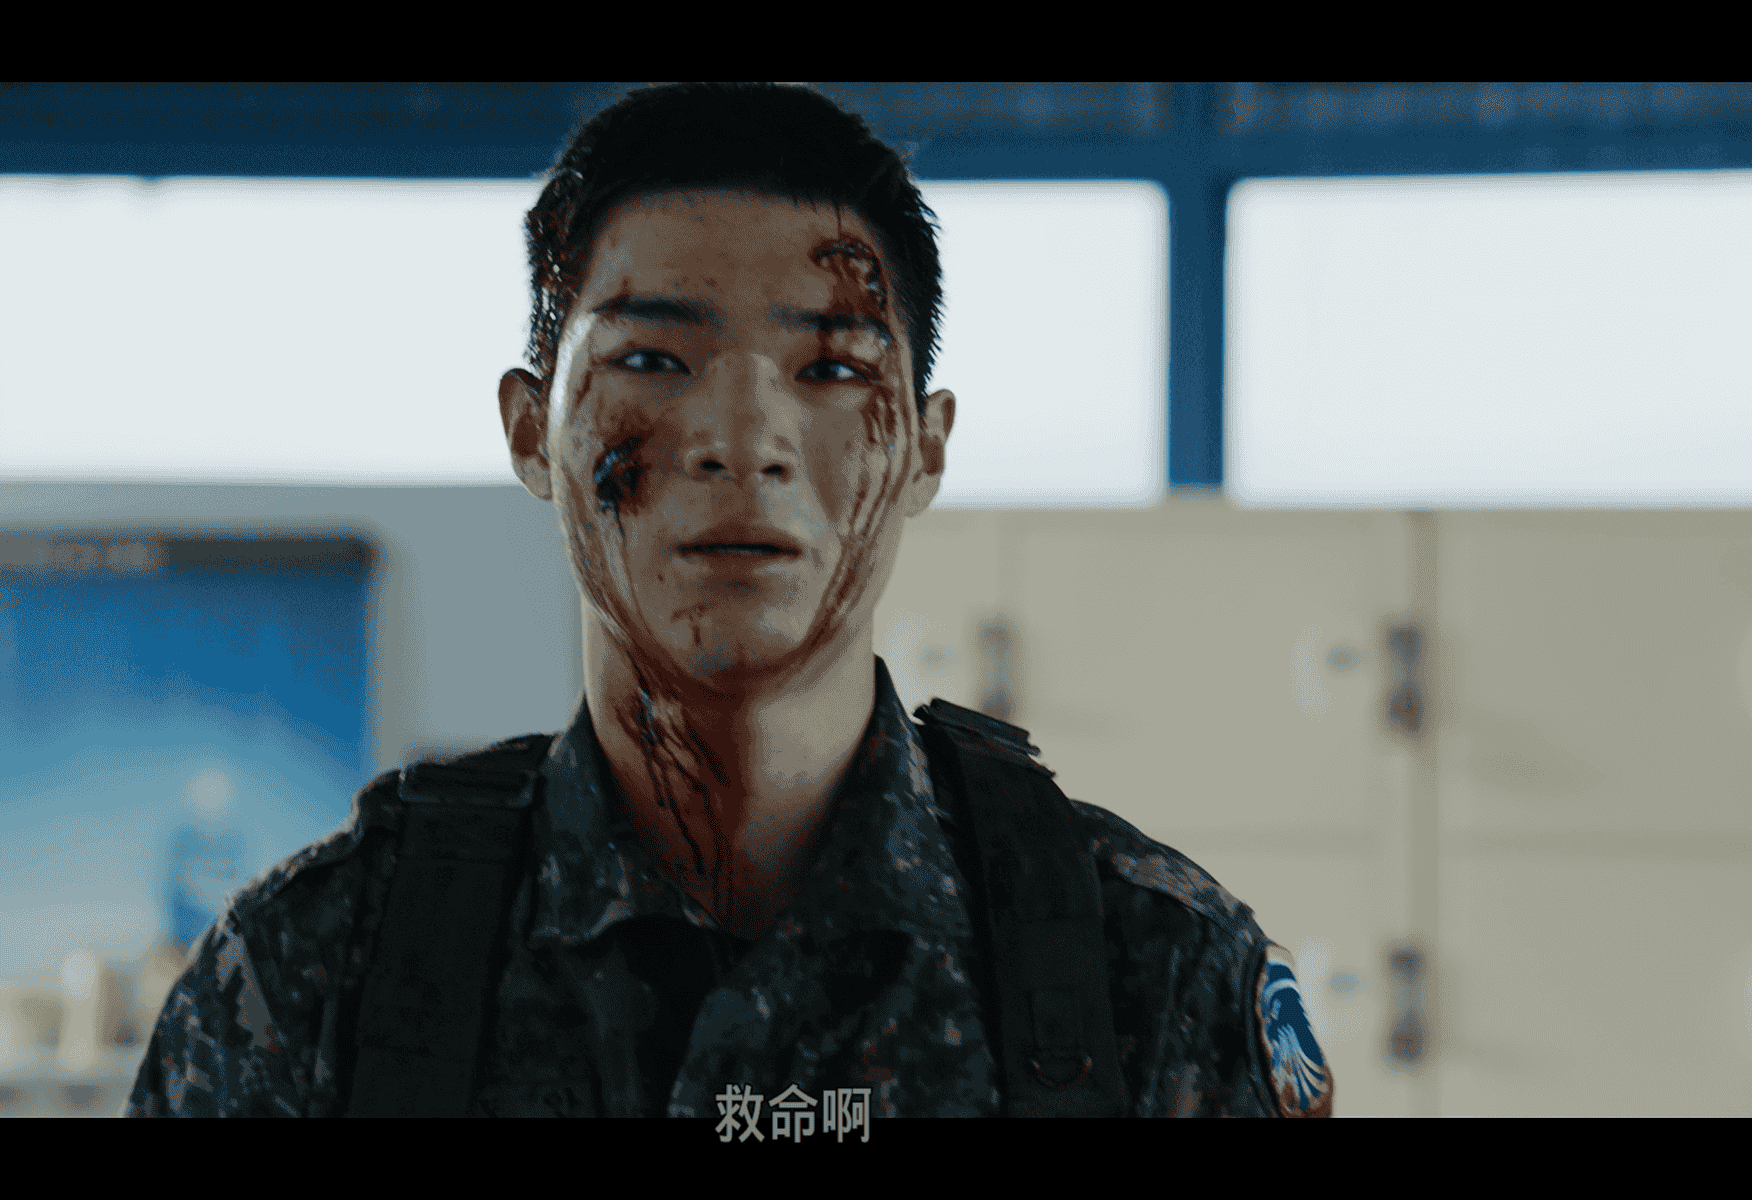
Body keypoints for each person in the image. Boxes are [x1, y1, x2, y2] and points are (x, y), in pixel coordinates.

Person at [123, 82, 1332, 1118]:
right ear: (533, 431)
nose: (743, 437)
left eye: (832, 369)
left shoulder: (1151, 975)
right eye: (654, 360)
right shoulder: (309, 981)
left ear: (924, 448)